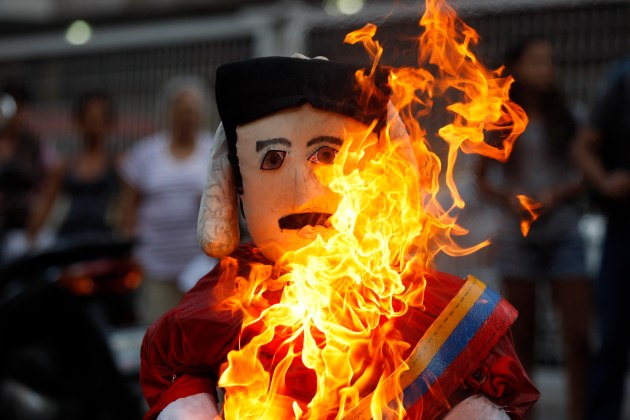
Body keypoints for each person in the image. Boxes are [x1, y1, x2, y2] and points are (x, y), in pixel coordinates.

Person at [140, 56, 539, 419]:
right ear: (236, 186)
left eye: (328, 155)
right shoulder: (231, 296)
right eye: (272, 159)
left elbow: (482, 385)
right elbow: (179, 369)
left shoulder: (401, 294)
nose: (302, 186)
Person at [475, 37, 592, 420]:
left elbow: (582, 172)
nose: (546, 69)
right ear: (517, 68)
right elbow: (482, 179)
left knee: (578, 336)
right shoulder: (500, 119)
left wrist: (557, 193)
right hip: (517, 238)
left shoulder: (568, 116)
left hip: (564, 234)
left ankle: (581, 412)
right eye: (537, 61)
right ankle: (526, 415)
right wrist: (510, 198)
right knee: (521, 338)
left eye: (549, 61)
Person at [120, 76, 214, 324]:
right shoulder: (146, 152)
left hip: (199, 265)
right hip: (153, 263)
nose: (186, 116)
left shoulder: (213, 151)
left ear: (201, 113)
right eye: (180, 109)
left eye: (191, 110)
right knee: (157, 330)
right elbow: (129, 204)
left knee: (194, 332)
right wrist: (130, 249)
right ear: (169, 111)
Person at [572, 58, 630, 420]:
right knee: (613, 337)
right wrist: (606, 182)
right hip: (624, 230)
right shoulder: (622, 83)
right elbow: (582, 146)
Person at [26, 91, 122, 244]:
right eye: (89, 119)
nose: (94, 126)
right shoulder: (64, 167)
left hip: (105, 242)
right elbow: (45, 205)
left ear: (109, 123)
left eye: (99, 120)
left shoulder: (118, 165)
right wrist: (30, 239)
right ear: (79, 121)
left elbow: (129, 205)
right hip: (69, 242)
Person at [0, 81, 46, 264]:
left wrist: (33, 229)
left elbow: (43, 188)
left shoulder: (33, 145)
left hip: (20, 226)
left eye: (20, 106)